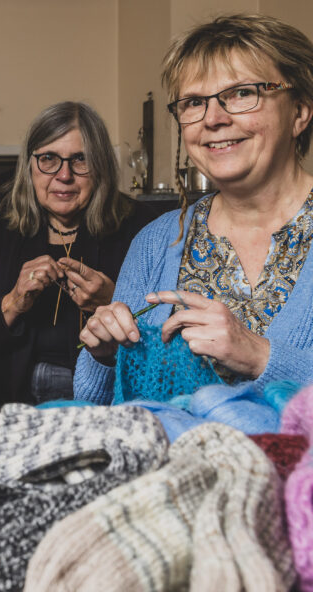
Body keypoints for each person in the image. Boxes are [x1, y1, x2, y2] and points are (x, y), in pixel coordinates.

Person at [76, 14, 313, 404]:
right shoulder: (155, 244)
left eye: (241, 93)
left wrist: (261, 356)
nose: (214, 119)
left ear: (300, 112)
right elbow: (97, 408)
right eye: (194, 102)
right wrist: (102, 355)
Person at [0, 102, 156, 411]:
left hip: (104, 404)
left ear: (100, 165)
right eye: (48, 159)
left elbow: (162, 344)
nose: (64, 175)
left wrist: (113, 300)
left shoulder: (139, 224)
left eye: (80, 160)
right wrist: (13, 302)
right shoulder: (2, 225)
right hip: (11, 406)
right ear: (29, 165)